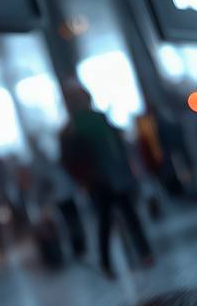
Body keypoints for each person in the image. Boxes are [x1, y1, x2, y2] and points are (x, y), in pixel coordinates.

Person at [59, 83, 155, 277]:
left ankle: (133, 255)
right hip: (102, 181)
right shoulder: (75, 127)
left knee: (119, 218)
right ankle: (129, 256)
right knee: (114, 219)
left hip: (108, 178)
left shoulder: (83, 124)